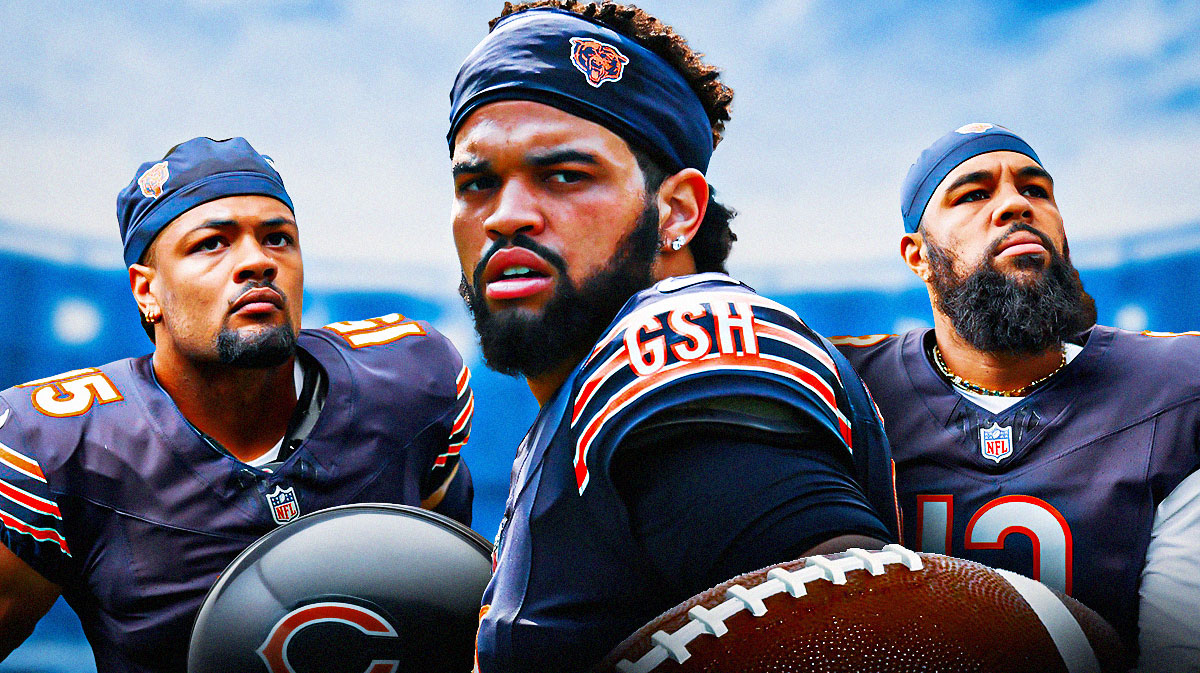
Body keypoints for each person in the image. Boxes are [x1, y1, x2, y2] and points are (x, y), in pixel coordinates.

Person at [447, 3, 901, 670]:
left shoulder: (674, 354)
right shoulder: (580, 401)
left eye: (565, 175)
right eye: (478, 182)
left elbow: (883, 632)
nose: (506, 217)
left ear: (678, 212)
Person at [0, 137, 474, 672]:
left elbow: (454, 605)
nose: (257, 261)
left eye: (278, 239)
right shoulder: (59, 447)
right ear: (146, 292)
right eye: (212, 243)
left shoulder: (409, 381)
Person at [832, 123, 1200, 671]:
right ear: (917, 254)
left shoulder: (1175, 389)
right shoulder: (848, 388)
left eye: (1035, 190)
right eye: (974, 194)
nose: (1014, 205)